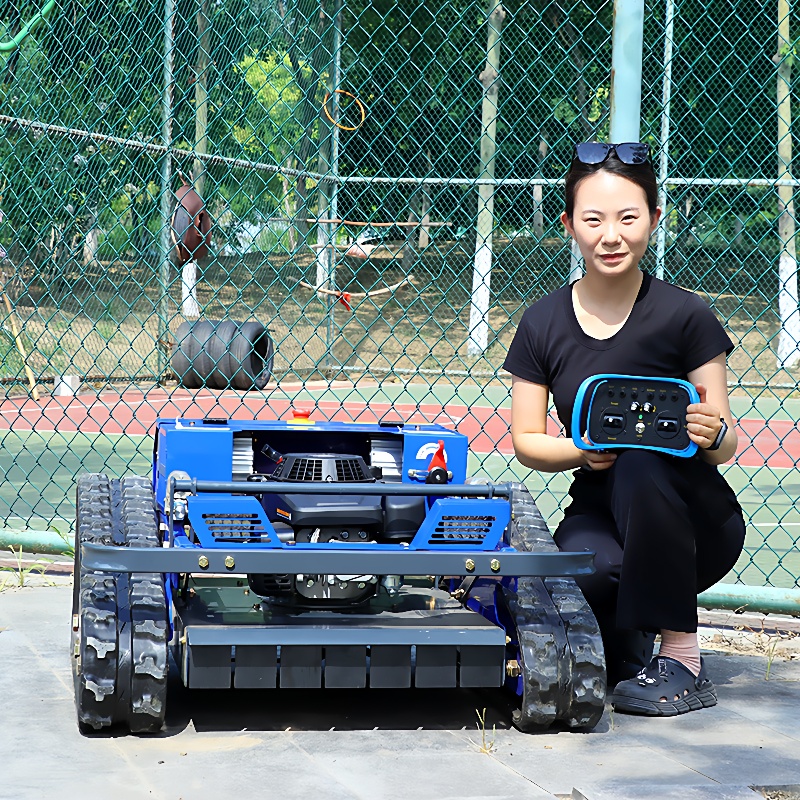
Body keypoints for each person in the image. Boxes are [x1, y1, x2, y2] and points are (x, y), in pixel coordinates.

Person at [502, 141, 746, 717]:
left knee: (640, 456)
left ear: (654, 221)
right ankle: (635, 638)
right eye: (593, 219)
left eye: (628, 218)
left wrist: (713, 431)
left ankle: (683, 657)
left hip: (692, 519)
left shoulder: (688, 315)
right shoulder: (541, 322)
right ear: (569, 225)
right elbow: (527, 441)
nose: (611, 235)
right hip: (601, 512)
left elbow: (726, 442)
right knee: (579, 588)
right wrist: (582, 451)